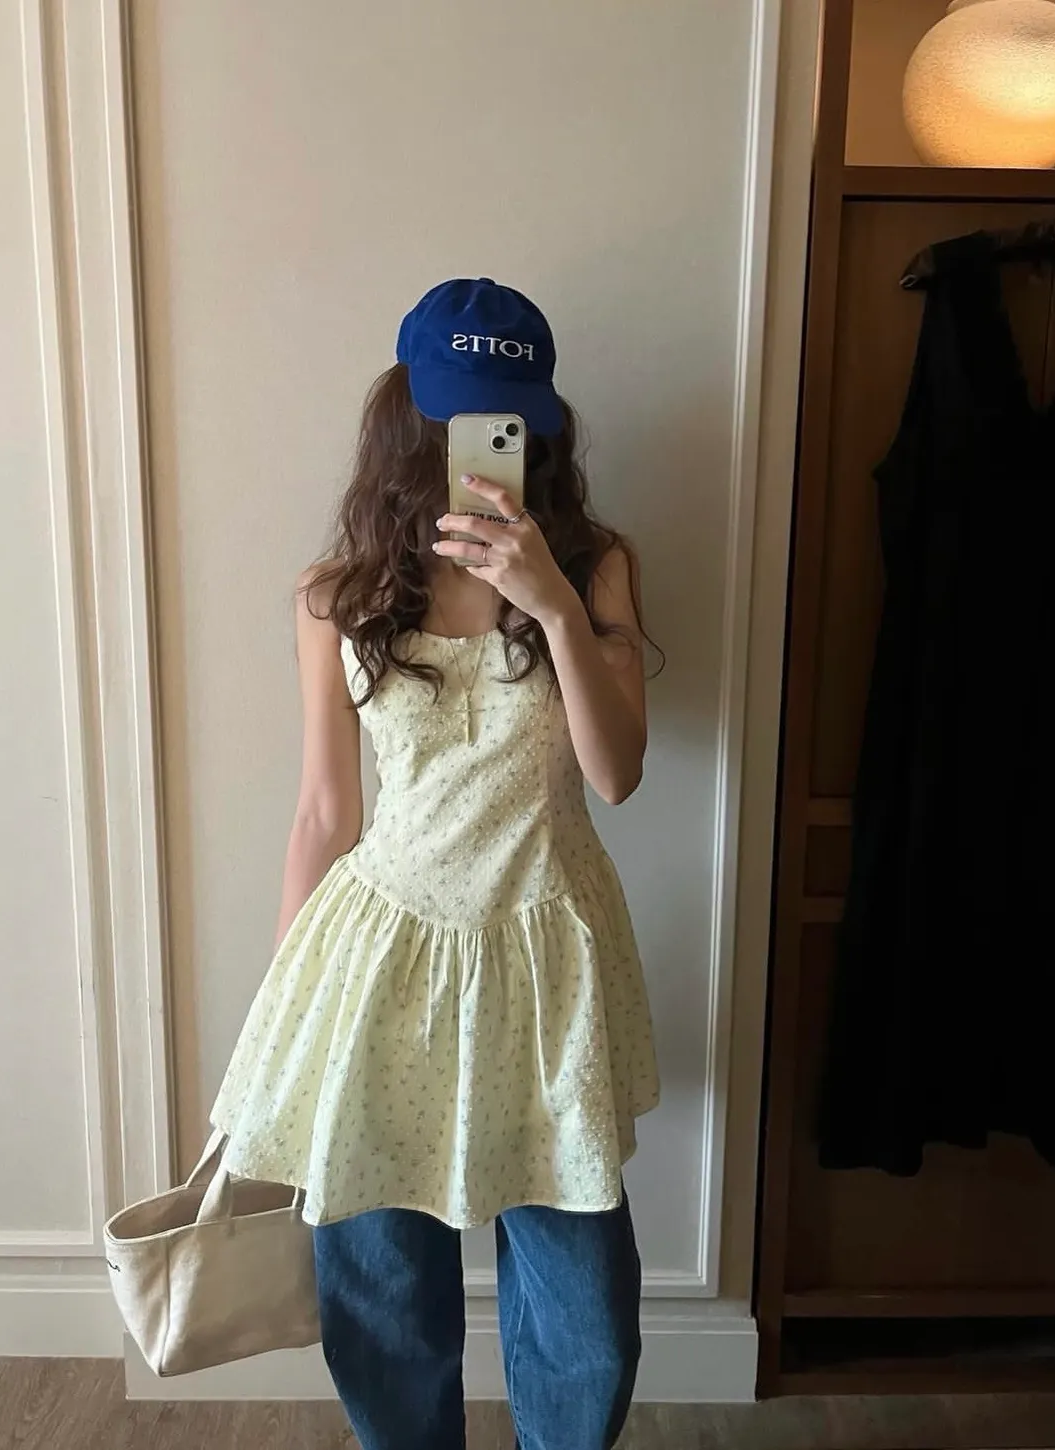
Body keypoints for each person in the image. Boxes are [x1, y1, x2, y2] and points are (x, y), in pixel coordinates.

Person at [211, 278, 660, 1450]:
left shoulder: (595, 568)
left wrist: (552, 607)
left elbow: (617, 776)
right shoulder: (338, 594)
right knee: (384, 1296)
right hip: (383, 961)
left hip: (546, 960)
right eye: (464, 417)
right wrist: (282, 1020)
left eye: (508, 421)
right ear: (407, 414)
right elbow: (324, 810)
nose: (485, 446)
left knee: (588, 1320)